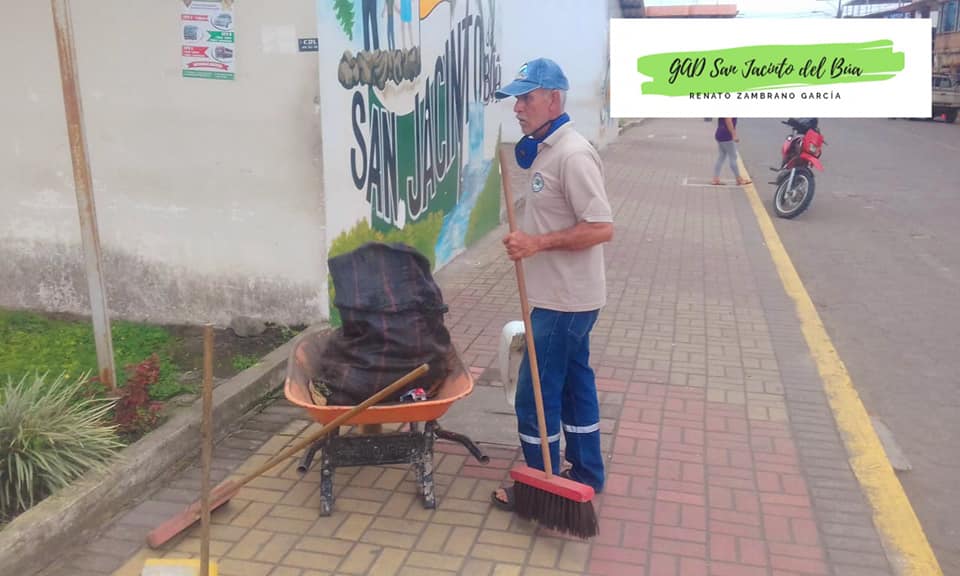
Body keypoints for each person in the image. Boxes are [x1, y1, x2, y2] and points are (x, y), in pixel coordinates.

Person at [490, 58, 614, 510]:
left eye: (526, 98)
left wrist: (536, 243)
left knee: (535, 397)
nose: (518, 108)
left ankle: (541, 484)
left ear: (554, 100)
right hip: (564, 298)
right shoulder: (547, 149)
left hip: (564, 303)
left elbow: (601, 227)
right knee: (575, 387)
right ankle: (585, 472)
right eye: (516, 99)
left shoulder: (573, 155)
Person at [712, 118, 751, 186]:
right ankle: (739, 179)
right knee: (733, 157)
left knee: (721, 156)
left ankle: (715, 179)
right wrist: (734, 135)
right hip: (726, 135)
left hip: (720, 133)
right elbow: (728, 120)